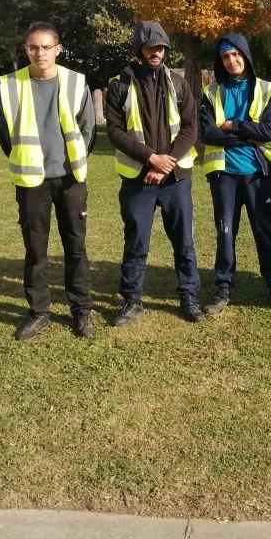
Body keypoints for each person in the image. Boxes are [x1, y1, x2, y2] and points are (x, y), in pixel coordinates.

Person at [0, 21, 96, 341]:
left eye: (46, 47)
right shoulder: (10, 84)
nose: (39, 53)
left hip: (69, 179)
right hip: (31, 181)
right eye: (33, 47)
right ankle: (39, 313)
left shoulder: (75, 82)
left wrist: (72, 161)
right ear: (26, 49)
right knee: (35, 250)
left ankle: (81, 311)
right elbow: (4, 133)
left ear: (58, 48)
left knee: (76, 247)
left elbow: (88, 130)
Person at [105, 20, 205, 324]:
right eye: (151, 47)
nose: (157, 52)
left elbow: (191, 127)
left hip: (175, 179)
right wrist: (151, 159)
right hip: (138, 179)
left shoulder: (178, 82)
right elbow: (115, 131)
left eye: (161, 47)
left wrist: (167, 163)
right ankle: (132, 300)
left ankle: (189, 296)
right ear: (140, 49)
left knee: (183, 241)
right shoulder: (118, 84)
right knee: (136, 240)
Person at [199, 33, 271, 315]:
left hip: (257, 173)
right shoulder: (211, 92)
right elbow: (208, 134)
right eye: (225, 56)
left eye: (235, 54)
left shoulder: (267, 90)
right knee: (225, 231)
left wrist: (232, 125)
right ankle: (223, 288)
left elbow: (267, 132)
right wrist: (245, 134)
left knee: (263, 230)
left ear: (245, 55)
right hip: (224, 173)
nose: (231, 60)